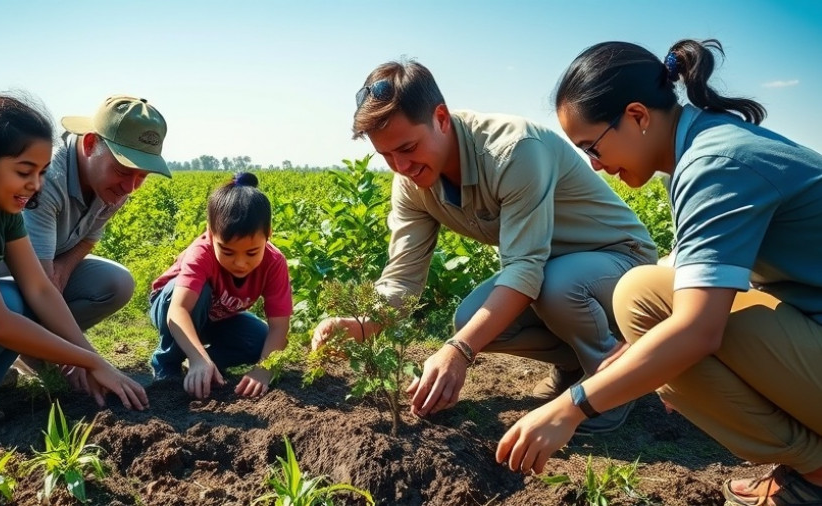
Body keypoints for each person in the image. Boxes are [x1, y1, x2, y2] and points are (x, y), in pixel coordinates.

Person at [496, 39, 822, 505]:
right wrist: (640, 350)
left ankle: (816, 475)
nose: (595, 165)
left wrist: (571, 408)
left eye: (592, 146)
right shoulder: (703, 146)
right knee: (650, 306)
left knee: (646, 301)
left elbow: (697, 330)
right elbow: (694, 272)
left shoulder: (714, 164)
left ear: (637, 116)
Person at [312, 60, 657, 434]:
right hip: (552, 271)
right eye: (387, 156)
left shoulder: (512, 150)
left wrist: (458, 351)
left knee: (553, 288)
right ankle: (576, 363)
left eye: (408, 147)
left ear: (441, 118)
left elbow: (526, 267)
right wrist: (363, 322)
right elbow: (402, 278)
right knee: (471, 319)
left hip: (621, 262)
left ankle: (613, 381)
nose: (401, 165)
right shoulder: (411, 183)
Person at [0, 95, 149, 439]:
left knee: (20, 297)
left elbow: (40, 288)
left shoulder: (3, 209)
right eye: (24, 171)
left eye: (41, 172)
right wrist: (90, 362)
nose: (36, 184)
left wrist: (91, 358)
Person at [0, 94, 171, 332]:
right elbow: (40, 283)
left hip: (49, 265)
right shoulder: (46, 179)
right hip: (1, 271)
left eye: (143, 175)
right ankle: (38, 346)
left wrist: (64, 269)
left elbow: (89, 237)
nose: (130, 187)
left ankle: (43, 347)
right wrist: (82, 356)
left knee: (117, 284)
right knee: (17, 300)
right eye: (122, 170)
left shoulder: (115, 186)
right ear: (90, 144)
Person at [148, 172, 293, 400]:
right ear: (210, 233)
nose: (240, 262)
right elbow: (179, 310)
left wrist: (264, 370)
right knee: (200, 294)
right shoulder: (201, 253)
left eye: (252, 252)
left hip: (219, 317)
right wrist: (198, 358)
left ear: (268, 235)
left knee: (260, 340)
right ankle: (167, 362)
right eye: (227, 251)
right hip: (171, 306)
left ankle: (207, 362)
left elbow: (279, 327)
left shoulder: (274, 262)